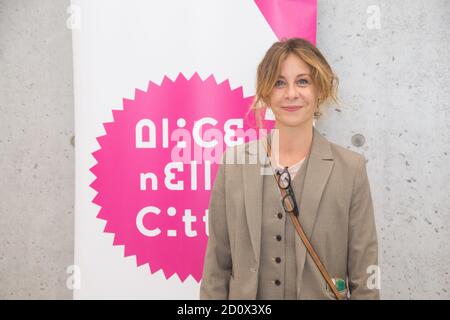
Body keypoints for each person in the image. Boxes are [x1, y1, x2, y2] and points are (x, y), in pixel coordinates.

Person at [200, 38, 380, 300]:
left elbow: (365, 274)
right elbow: (216, 266)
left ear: (320, 89)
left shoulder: (350, 169)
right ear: (265, 92)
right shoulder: (234, 164)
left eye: (303, 81)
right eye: (279, 82)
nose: (291, 93)